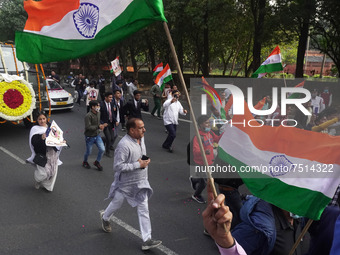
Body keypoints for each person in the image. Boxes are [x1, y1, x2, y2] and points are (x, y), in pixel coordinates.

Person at [100, 118, 162, 251]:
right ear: (132, 130)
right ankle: (105, 217)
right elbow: (118, 166)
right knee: (117, 203)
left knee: (144, 209)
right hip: (125, 184)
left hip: (141, 182)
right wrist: (138, 165)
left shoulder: (141, 138)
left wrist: (145, 160)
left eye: (143, 127)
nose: (144, 130)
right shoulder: (124, 145)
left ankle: (147, 240)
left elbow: (140, 154)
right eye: (141, 128)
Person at [202, 181, 247, 255]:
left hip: (230, 189)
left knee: (231, 212)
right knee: (237, 213)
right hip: (229, 190)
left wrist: (224, 239)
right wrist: (225, 239)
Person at [26, 112, 64, 192]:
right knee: (43, 173)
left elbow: (58, 137)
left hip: (52, 153)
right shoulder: (35, 129)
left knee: (53, 171)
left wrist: (62, 141)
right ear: (37, 120)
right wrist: (41, 138)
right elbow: (34, 143)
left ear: (46, 119)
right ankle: (38, 180)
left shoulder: (51, 127)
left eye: (44, 119)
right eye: (40, 119)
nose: (42, 121)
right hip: (42, 154)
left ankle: (48, 187)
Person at [189, 115, 221, 204]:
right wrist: (203, 151)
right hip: (201, 163)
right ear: (200, 125)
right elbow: (195, 151)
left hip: (210, 161)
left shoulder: (210, 133)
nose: (208, 125)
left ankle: (194, 180)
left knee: (205, 179)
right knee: (205, 182)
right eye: (206, 123)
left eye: (208, 122)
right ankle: (196, 195)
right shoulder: (198, 137)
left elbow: (217, 139)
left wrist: (224, 133)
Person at [82, 100, 106, 171]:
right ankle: (85, 161)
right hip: (89, 137)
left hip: (97, 135)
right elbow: (88, 127)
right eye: (97, 105)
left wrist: (101, 126)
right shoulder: (88, 116)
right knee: (88, 151)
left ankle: (97, 162)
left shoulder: (99, 113)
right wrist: (98, 127)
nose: (99, 107)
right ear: (92, 107)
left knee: (102, 149)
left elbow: (98, 123)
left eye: (99, 105)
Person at [100, 92, 117, 158]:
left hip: (111, 123)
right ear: (105, 97)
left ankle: (103, 139)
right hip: (105, 124)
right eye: (110, 97)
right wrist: (102, 123)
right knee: (109, 138)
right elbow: (99, 116)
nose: (111, 99)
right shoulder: (101, 105)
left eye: (112, 97)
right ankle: (107, 152)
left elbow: (112, 113)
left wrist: (115, 121)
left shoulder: (112, 104)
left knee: (112, 137)